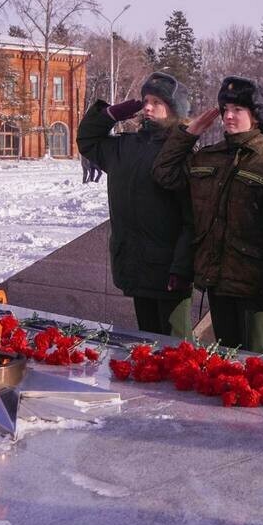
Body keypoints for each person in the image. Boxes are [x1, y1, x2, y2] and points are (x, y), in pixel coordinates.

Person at [152, 76, 263, 353]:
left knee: (256, 364)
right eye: (225, 109)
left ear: (256, 116)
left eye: (237, 110)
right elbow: (164, 174)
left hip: (254, 285)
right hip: (215, 280)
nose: (228, 116)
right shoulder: (208, 157)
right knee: (226, 363)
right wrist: (190, 133)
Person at [77, 72, 194, 338]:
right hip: (135, 264)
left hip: (169, 271)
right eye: (145, 100)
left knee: (178, 348)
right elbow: (87, 141)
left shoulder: (182, 152)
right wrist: (109, 114)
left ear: (174, 109)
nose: (147, 107)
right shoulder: (125, 147)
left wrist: (182, 267)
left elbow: (192, 219)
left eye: (157, 101)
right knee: (148, 343)